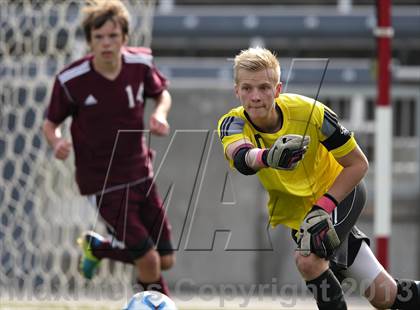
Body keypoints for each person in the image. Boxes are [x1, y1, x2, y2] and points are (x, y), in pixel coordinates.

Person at [217, 47, 420, 309]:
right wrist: (269, 157)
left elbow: (358, 165)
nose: (255, 96)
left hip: (340, 194)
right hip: (301, 215)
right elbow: (242, 157)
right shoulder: (231, 123)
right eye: (247, 88)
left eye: (264, 88)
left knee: (308, 259)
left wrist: (324, 206)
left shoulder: (312, 113)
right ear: (237, 91)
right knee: (387, 297)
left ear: (277, 90)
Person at [43, 0, 174, 295]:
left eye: (112, 36)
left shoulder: (140, 64)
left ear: (124, 38)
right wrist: (57, 141)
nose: (106, 43)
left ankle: (98, 248)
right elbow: (50, 124)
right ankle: (156, 304)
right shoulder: (70, 80)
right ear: (89, 41)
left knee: (165, 259)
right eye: (98, 37)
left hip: (141, 172)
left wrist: (159, 114)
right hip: (103, 183)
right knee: (149, 259)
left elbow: (161, 93)